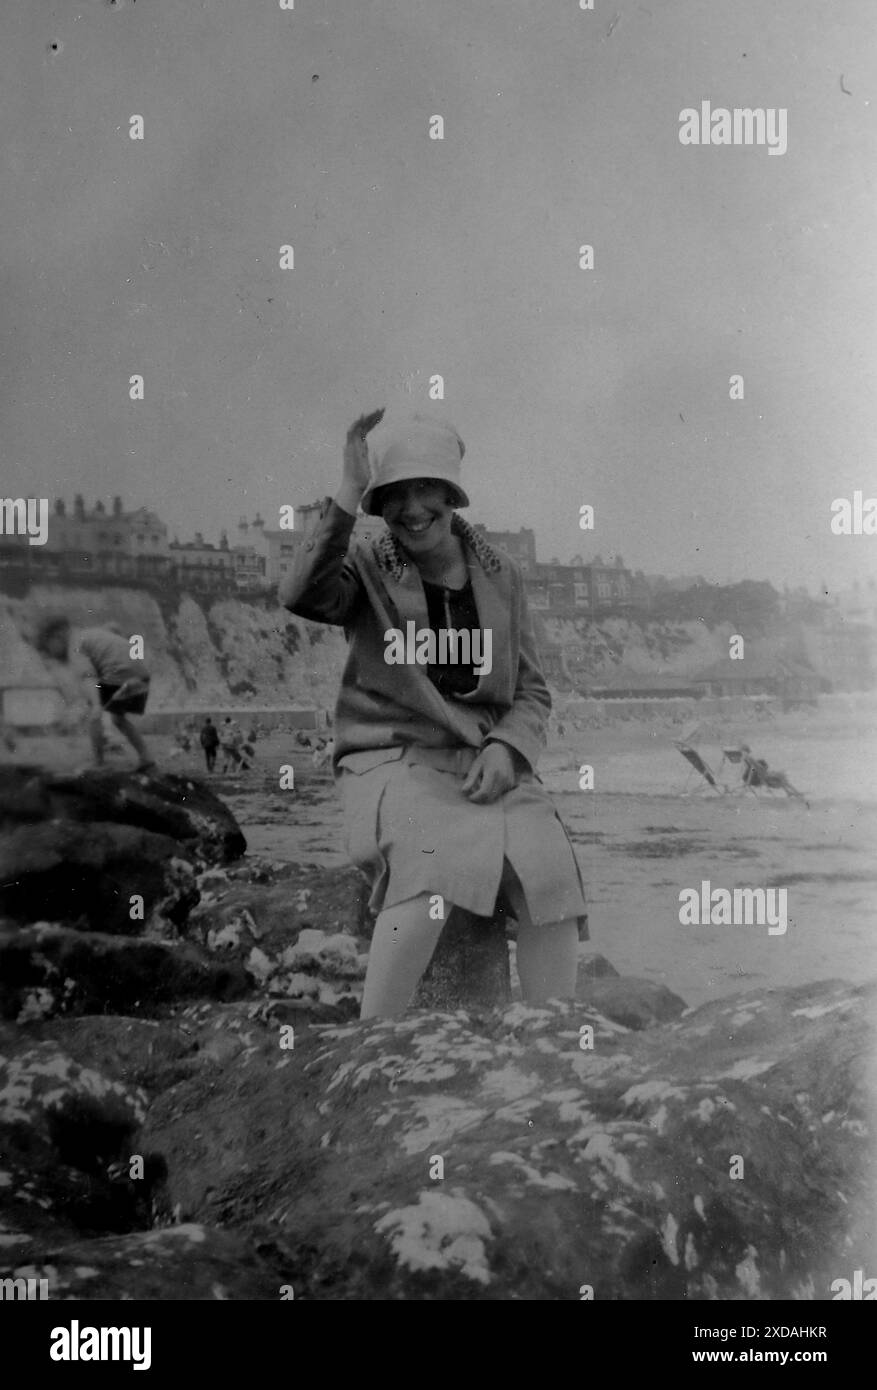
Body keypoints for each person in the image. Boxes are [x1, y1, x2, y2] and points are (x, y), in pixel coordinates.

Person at [280, 409, 588, 1019]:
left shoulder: (503, 576)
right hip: (391, 758)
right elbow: (302, 594)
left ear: (452, 496)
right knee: (427, 876)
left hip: (483, 759)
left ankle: (552, 1042)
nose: (412, 509)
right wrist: (348, 487)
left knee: (549, 876)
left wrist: (508, 748)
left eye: (427, 490)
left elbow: (531, 690)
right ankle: (375, 1041)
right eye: (394, 495)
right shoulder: (365, 566)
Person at [33, 615, 154, 772]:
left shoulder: (74, 647)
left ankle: (99, 761)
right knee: (118, 719)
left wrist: (96, 705)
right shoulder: (87, 634)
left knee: (94, 715)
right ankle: (146, 757)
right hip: (138, 671)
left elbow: (88, 677)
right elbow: (113, 629)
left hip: (118, 672)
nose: (51, 654)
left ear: (58, 636)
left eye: (48, 647)